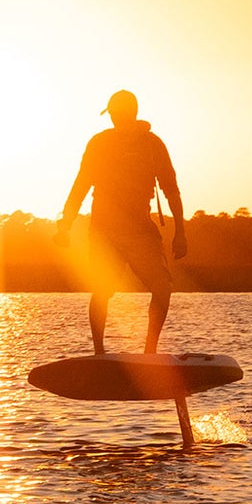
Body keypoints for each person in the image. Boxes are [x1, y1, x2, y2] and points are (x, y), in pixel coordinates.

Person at [57, 90, 187, 356]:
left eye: (117, 113)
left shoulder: (151, 144)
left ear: (126, 113)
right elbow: (82, 184)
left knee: (160, 287)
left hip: (136, 232)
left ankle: (146, 352)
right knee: (106, 289)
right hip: (107, 230)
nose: (115, 118)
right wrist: (66, 221)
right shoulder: (104, 143)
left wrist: (181, 234)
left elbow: (171, 190)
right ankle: (101, 353)